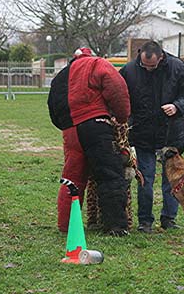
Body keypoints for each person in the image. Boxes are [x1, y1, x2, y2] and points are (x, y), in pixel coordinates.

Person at [47, 47, 131, 237]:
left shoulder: (60, 77)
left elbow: (53, 108)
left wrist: (66, 126)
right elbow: (117, 89)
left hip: (70, 131)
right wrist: (122, 117)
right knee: (110, 174)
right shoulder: (97, 63)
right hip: (96, 125)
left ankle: (66, 225)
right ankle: (116, 225)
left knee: (72, 177)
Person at [119, 40, 184, 233]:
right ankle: (145, 221)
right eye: (145, 66)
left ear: (161, 57)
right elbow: (120, 96)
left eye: (152, 66)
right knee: (145, 178)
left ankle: (169, 218)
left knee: (173, 180)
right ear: (140, 56)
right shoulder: (129, 71)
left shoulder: (177, 67)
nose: (149, 69)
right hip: (143, 133)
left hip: (172, 133)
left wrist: (177, 106)